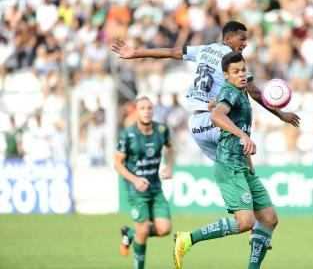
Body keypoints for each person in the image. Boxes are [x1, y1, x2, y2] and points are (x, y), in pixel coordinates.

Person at [111, 21, 300, 162]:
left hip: (195, 123)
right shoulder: (233, 63)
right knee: (242, 164)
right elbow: (256, 94)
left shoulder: (204, 49)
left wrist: (136, 53)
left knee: (234, 172)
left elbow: (170, 52)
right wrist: (280, 114)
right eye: (242, 39)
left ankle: (243, 210)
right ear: (228, 39)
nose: (245, 44)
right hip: (215, 122)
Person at [173, 52, 277, 269]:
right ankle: (188, 238)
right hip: (229, 166)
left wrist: (214, 104)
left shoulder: (238, 92)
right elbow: (216, 116)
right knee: (245, 222)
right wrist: (243, 135)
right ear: (226, 76)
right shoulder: (231, 91)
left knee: (269, 218)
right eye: (236, 72)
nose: (241, 75)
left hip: (244, 166)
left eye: (243, 70)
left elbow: (214, 106)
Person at [115, 96, 174, 269]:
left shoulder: (162, 130)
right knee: (143, 230)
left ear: (153, 110)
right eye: (142, 108)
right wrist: (134, 180)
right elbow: (117, 163)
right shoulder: (128, 135)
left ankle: (129, 233)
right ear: (136, 111)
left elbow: (170, 147)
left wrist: (169, 167)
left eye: (149, 108)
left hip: (155, 187)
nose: (146, 111)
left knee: (164, 229)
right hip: (136, 189)